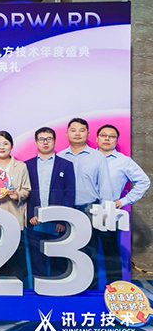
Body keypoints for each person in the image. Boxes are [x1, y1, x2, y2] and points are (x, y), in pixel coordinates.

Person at [58, 118, 113, 289]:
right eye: (73, 130)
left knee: (90, 251)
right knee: (64, 250)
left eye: (81, 130)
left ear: (88, 133)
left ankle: (90, 290)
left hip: (89, 209)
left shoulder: (97, 157)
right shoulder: (59, 157)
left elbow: (105, 186)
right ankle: (66, 288)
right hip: (66, 210)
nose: (77, 133)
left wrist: (105, 212)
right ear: (67, 133)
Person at [96, 124, 150, 283]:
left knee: (110, 253)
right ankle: (87, 291)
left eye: (111, 136)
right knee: (85, 252)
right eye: (103, 135)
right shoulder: (88, 157)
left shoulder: (123, 161)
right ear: (97, 138)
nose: (107, 139)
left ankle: (114, 289)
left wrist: (123, 201)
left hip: (109, 212)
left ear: (116, 140)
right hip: (85, 210)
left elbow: (144, 181)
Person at [0, 131, 31, 282]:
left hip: (13, 215)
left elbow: (27, 190)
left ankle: (13, 287)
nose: (2, 147)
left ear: (11, 146)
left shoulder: (21, 167)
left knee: (14, 256)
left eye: (5, 143)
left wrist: (17, 194)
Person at [26, 127, 76, 278]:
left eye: (49, 139)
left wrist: (62, 219)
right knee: (37, 259)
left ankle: (58, 288)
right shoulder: (27, 165)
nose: (45, 142)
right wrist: (30, 215)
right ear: (36, 142)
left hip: (57, 223)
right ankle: (38, 288)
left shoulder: (66, 165)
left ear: (54, 141)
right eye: (41, 139)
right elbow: (25, 193)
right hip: (35, 220)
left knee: (58, 260)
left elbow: (69, 194)